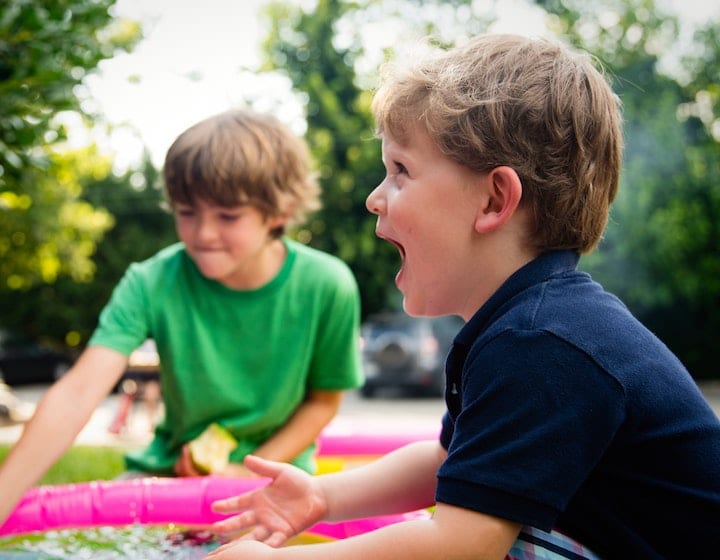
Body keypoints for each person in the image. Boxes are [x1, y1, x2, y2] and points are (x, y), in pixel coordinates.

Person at [202, 34, 720, 559]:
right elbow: (447, 460)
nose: (374, 198)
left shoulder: (544, 343)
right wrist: (321, 495)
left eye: (401, 171)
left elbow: (460, 546)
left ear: (494, 199)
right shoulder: (525, 326)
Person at [0, 109, 364, 524]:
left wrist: (245, 469)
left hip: (278, 483)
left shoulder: (327, 285)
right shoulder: (150, 281)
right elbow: (77, 394)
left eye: (227, 216)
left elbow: (322, 401)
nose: (203, 233)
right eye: (186, 212)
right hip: (169, 475)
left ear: (279, 212)